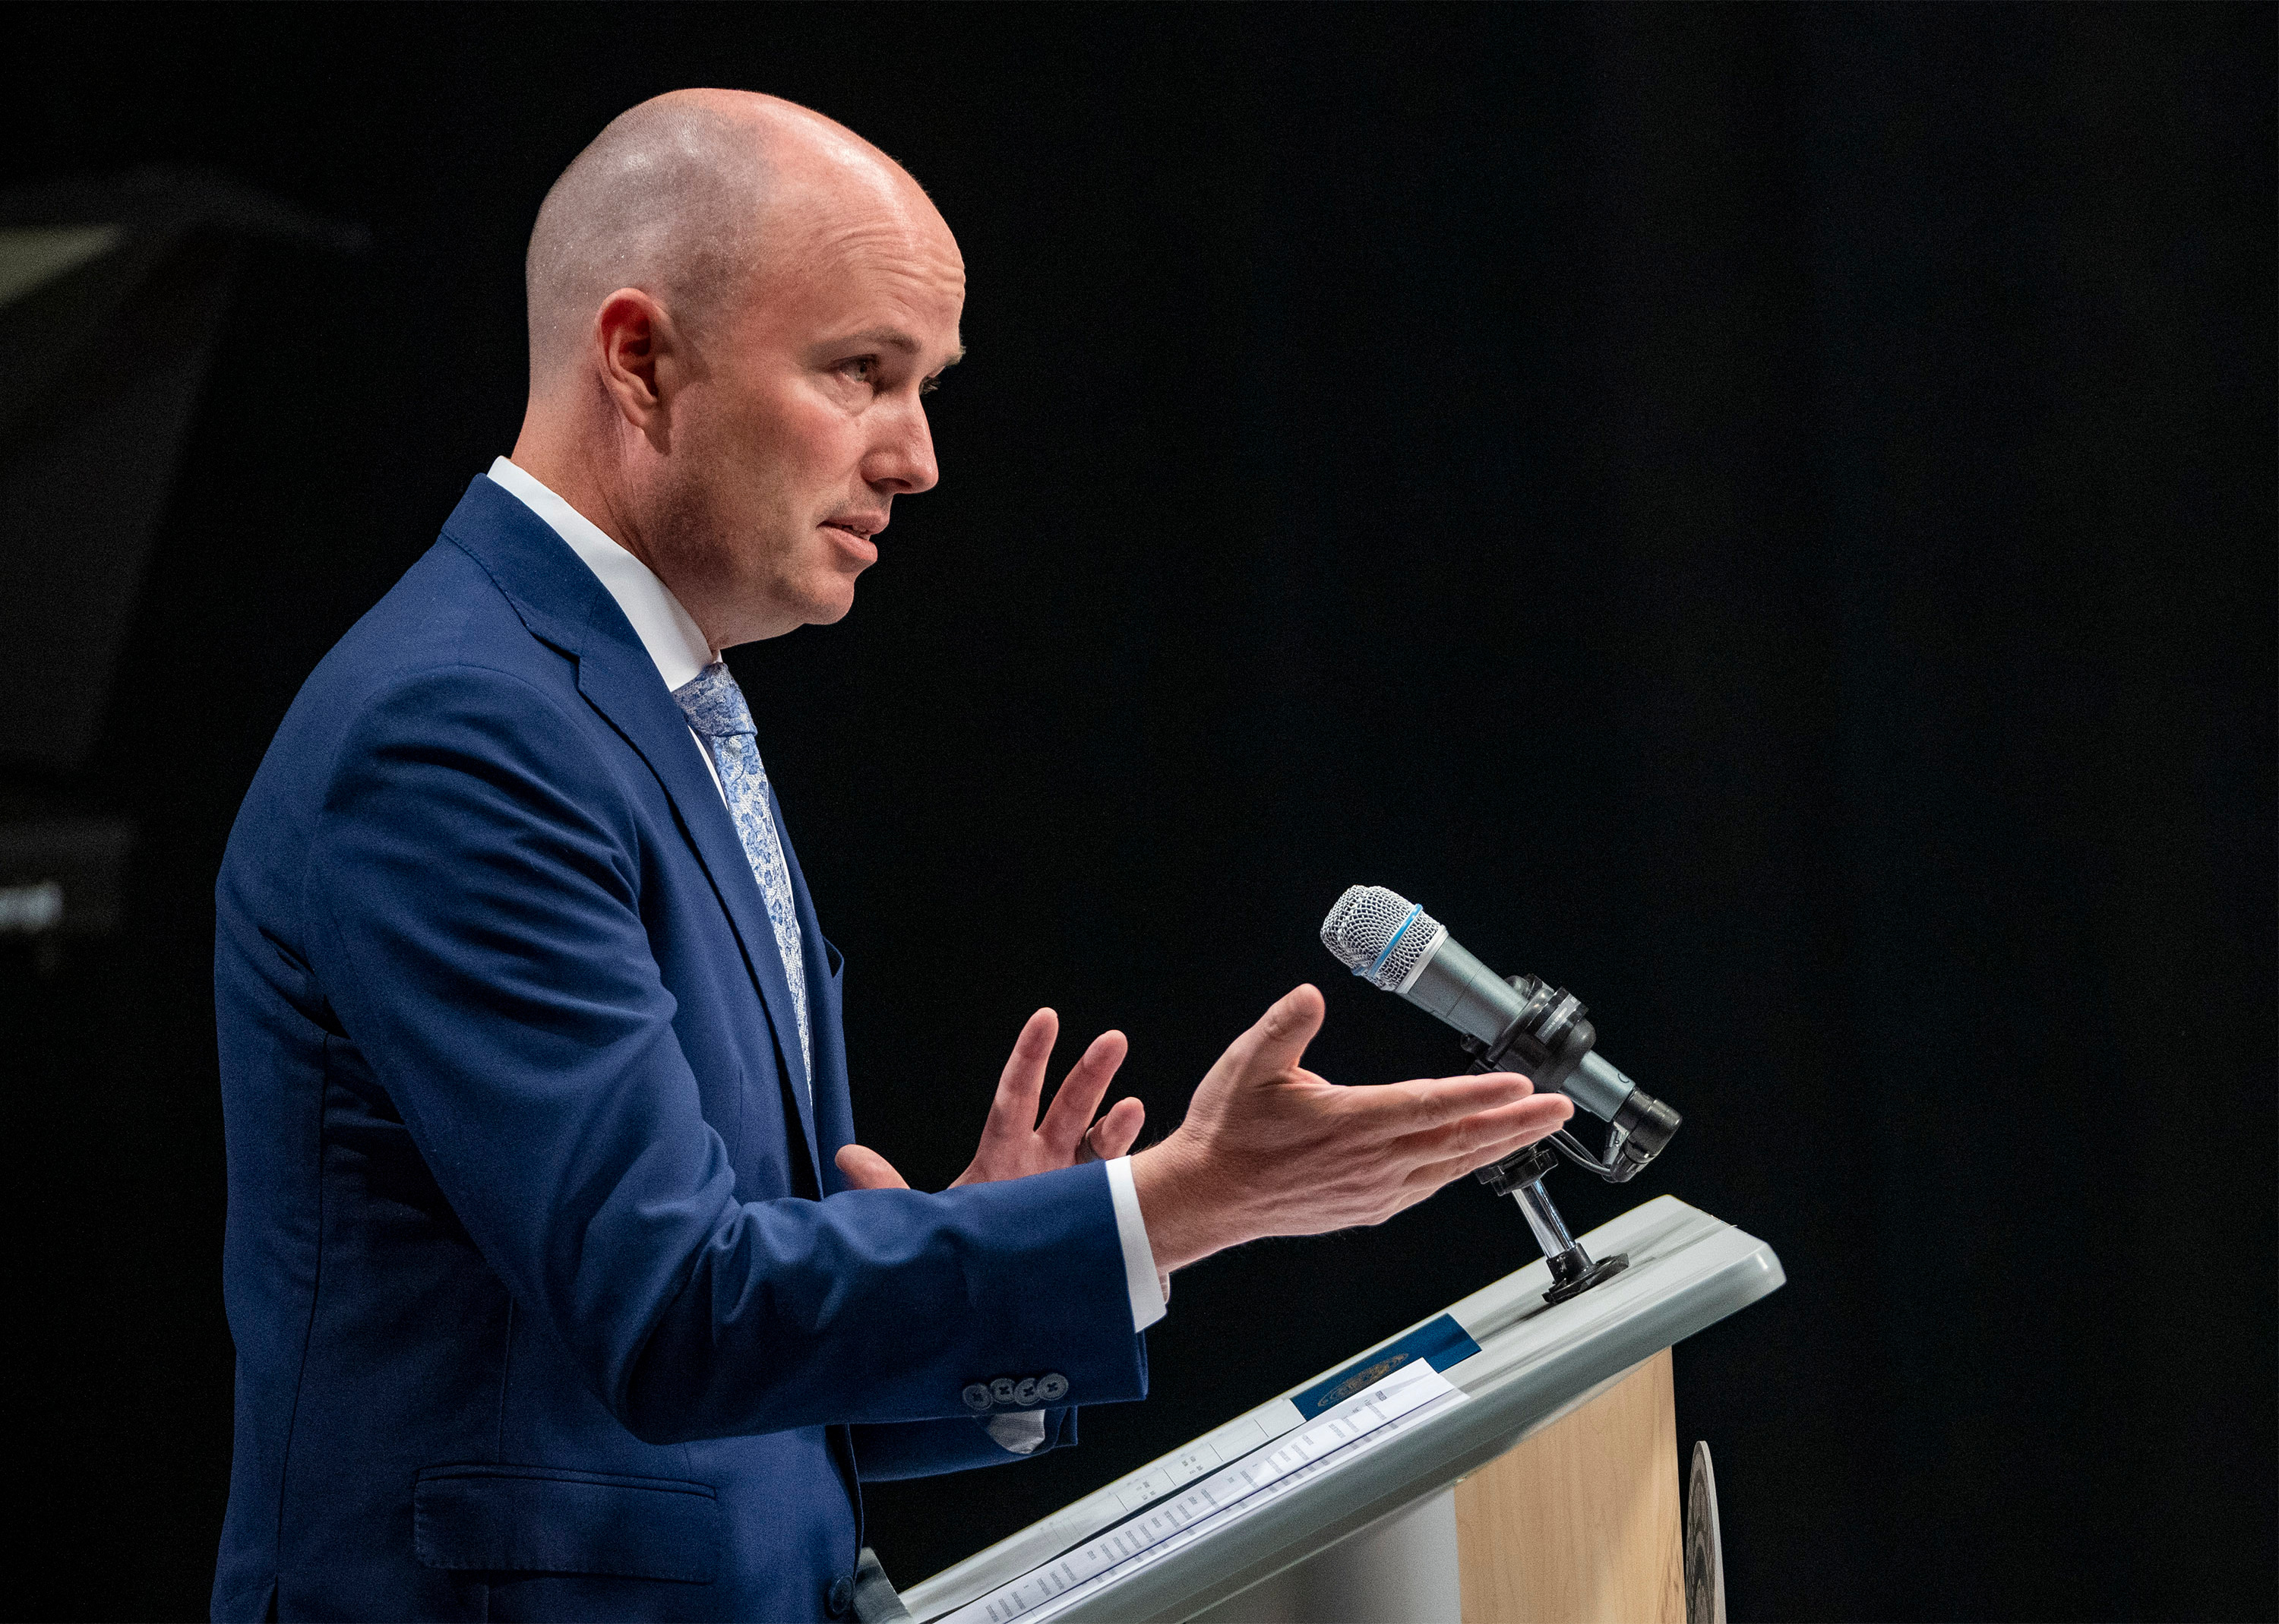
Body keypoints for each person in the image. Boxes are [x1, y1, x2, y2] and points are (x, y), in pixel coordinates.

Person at [210, 90, 1572, 1623]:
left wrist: (982, 1239)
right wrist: (1166, 1207)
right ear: (640, 359)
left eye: (927, 387)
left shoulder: (662, 700)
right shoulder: (458, 733)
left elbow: (737, 1365)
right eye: (862, 373)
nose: (917, 458)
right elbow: (672, 1315)